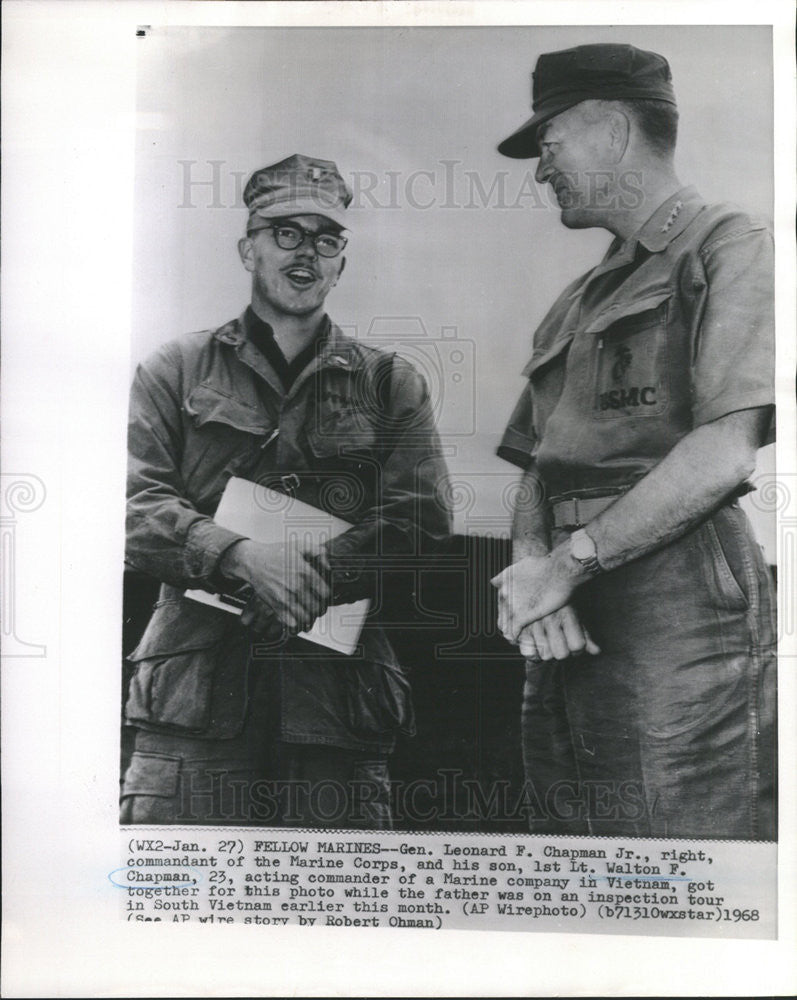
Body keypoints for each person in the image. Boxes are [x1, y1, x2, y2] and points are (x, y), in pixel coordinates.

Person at [491, 44, 776, 839]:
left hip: (675, 591)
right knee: (572, 842)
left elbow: (725, 451)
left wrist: (566, 563)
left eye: (548, 144)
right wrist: (530, 569)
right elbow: (536, 468)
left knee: (678, 849)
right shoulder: (573, 302)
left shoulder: (731, 246)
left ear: (612, 130)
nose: (540, 169)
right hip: (563, 601)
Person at [121, 154, 451, 828]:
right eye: (285, 233)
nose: (306, 254)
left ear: (342, 264)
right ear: (248, 247)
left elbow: (420, 520)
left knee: (342, 917)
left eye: (325, 239)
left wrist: (309, 577)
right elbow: (133, 507)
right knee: (173, 908)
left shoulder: (390, 383)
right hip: (192, 704)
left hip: (336, 709)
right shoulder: (173, 369)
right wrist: (239, 559)